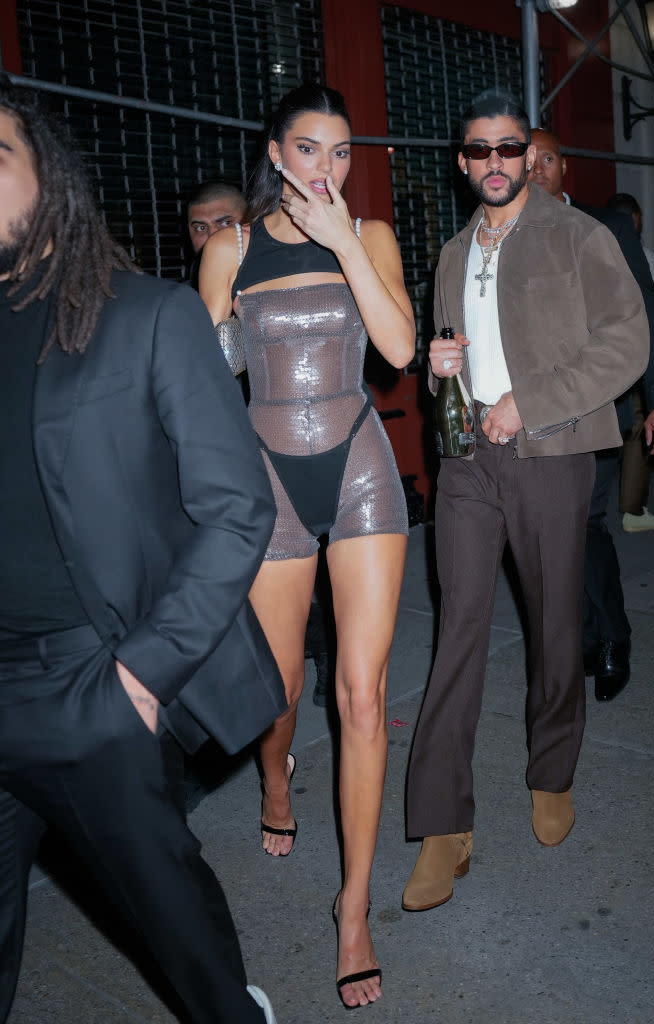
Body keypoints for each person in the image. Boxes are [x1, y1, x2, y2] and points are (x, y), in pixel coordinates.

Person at [0, 78, 283, 1023]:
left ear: (52, 179)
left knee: (176, 927)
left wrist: (140, 678)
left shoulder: (145, 315)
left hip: (90, 686)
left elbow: (238, 509)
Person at [401, 92, 649, 914]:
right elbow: (454, 354)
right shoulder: (448, 253)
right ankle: (442, 822)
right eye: (479, 151)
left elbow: (626, 343)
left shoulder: (580, 236)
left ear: (527, 154)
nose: (496, 164)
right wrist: (439, 364)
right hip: (468, 464)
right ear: (461, 161)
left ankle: (552, 769)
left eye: (510, 148)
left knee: (553, 625)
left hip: (550, 454)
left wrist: (529, 402)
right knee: (457, 629)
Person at [199, 84, 414, 1008]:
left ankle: (354, 907)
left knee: (361, 696)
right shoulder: (230, 247)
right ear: (276, 153)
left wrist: (343, 247)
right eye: (308, 150)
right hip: (269, 477)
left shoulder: (366, 236)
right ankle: (274, 780)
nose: (326, 168)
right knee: (277, 688)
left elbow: (399, 349)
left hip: (360, 466)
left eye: (339, 152)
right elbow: (203, 382)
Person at [531, 129, 654, 701]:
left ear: (564, 167)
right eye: (530, 159)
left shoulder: (605, 228)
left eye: (549, 157)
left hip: (595, 408)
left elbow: (645, 315)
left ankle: (612, 638)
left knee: (586, 525)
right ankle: (587, 637)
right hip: (536, 412)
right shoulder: (508, 237)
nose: (538, 168)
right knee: (552, 532)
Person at [606, 191, 654, 533]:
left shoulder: (587, 243)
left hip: (598, 359)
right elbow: (652, 314)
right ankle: (633, 511)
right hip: (634, 357)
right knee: (637, 427)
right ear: (634, 220)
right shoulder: (642, 253)